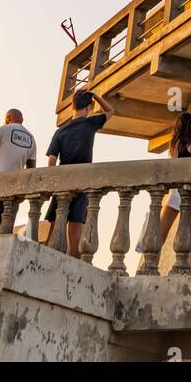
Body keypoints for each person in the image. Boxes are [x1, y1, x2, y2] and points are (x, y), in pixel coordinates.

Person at [44, 88, 115, 257]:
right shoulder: (90, 123)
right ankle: (72, 264)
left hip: (62, 182)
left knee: (54, 228)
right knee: (75, 229)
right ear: (89, 107)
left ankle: (45, 260)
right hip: (82, 182)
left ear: (72, 107)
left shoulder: (60, 131)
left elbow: (51, 162)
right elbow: (110, 110)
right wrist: (96, 95)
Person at [0, 108, 36, 235]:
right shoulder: (31, 139)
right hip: (15, 187)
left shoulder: (2, 129)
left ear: (8, 118)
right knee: (7, 220)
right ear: (22, 120)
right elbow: (31, 171)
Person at [158, 113, 191, 247]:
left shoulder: (178, 142)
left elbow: (172, 167)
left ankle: (151, 266)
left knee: (160, 233)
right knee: (189, 238)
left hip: (179, 192)